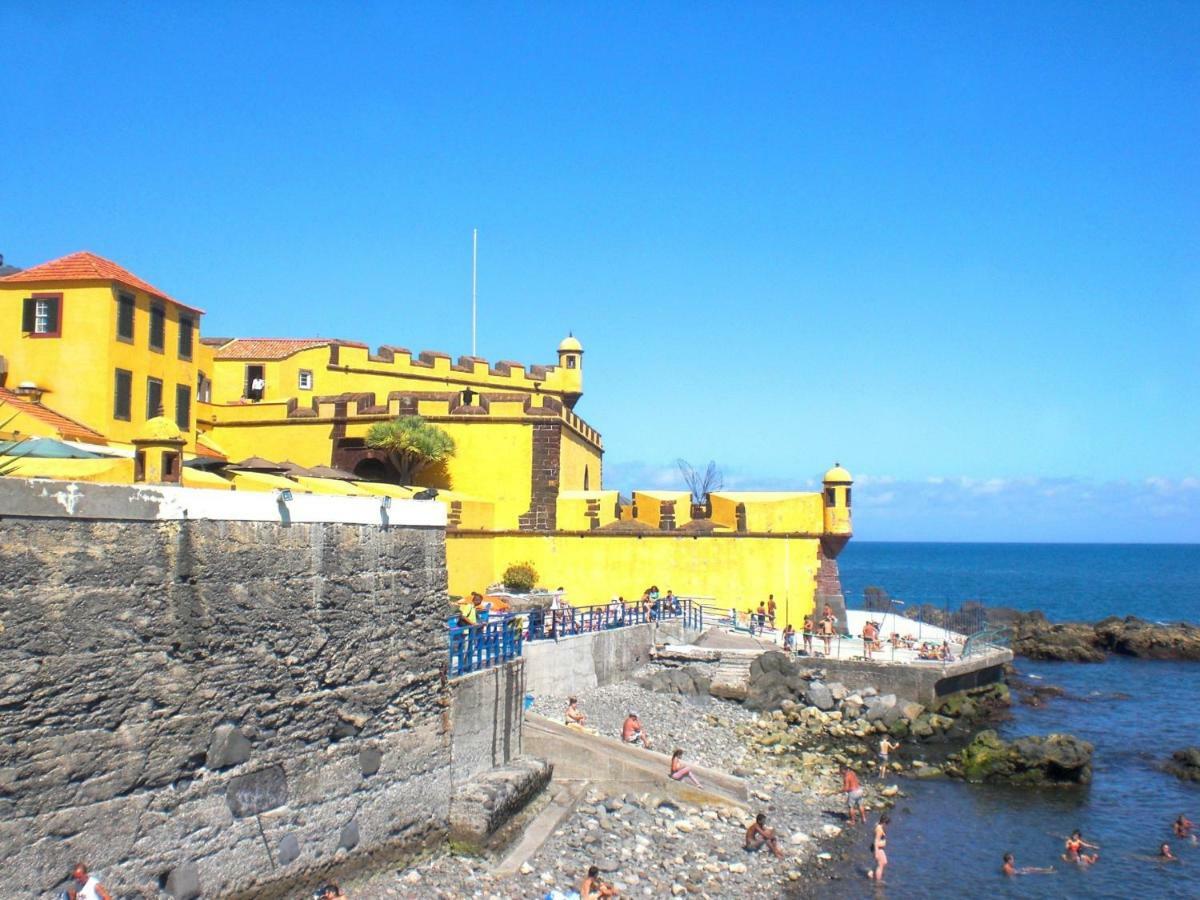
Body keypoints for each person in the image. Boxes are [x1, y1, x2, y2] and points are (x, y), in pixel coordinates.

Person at [867, 813, 889, 883]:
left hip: (879, 848)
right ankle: (878, 881)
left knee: (884, 862)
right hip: (877, 848)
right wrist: (876, 853)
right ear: (884, 822)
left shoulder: (879, 826)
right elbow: (876, 841)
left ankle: (872, 873)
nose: (887, 826)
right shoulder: (879, 829)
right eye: (887, 823)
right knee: (881, 864)